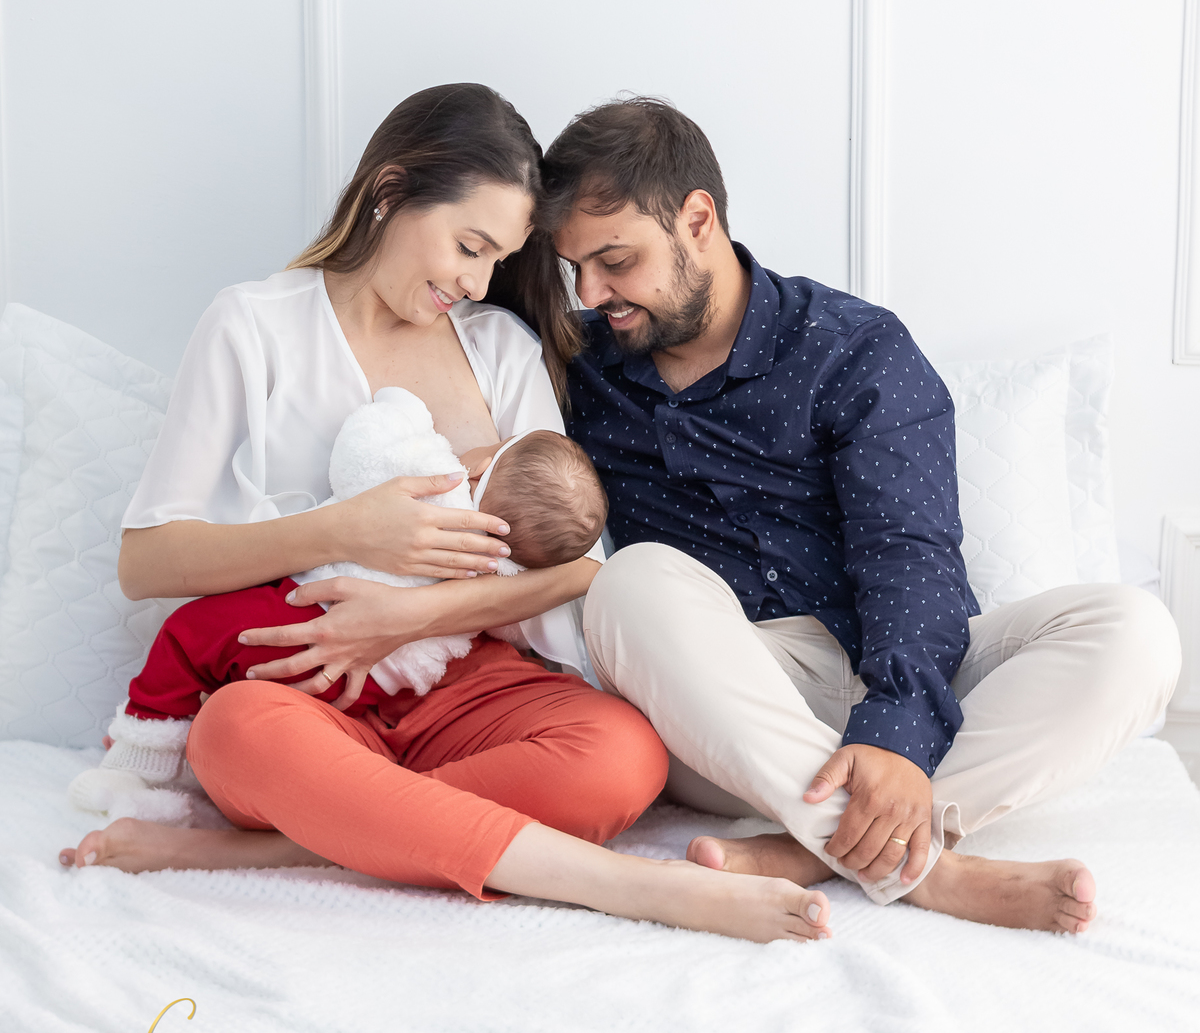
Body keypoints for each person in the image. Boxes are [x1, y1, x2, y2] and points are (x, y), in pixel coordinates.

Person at [59, 84, 834, 946]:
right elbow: (148, 560)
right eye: (468, 246)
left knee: (625, 756)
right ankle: (626, 887)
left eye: (496, 260)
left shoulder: (498, 346)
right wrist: (344, 532)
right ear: (390, 192)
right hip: (307, 681)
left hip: (473, 679)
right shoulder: (253, 327)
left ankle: (287, 844)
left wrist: (415, 613)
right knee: (237, 735)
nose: (474, 282)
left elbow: (578, 568)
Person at [543, 96, 1183, 935]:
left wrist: (894, 734)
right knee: (628, 584)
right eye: (574, 267)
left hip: (897, 665)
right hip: (732, 699)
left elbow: (910, 554)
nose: (592, 293)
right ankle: (928, 869)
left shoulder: (853, 348)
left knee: (1136, 632)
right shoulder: (580, 361)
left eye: (615, 260)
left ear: (697, 219)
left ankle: (815, 847)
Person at [68, 411, 609, 813]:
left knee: (189, 635)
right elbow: (564, 580)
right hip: (380, 682)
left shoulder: (439, 489)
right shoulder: (507, 570)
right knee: (252, 723)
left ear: (484, 462)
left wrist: (405, 412)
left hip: (317, 622)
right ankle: (360, 799)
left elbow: (366, 447)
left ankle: (141, 756)